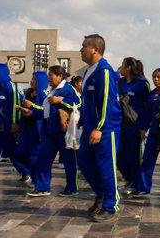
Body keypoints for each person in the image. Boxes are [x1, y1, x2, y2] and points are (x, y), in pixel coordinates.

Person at [77, 34, 122, 222]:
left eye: (84, 46)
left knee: (106, 168)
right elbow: (87, 101)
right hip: (88, 128)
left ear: (95, 49)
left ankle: (111, 204)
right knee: (84, 163)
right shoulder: (89, 70)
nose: (81, 49)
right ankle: (101, 194)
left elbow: (107, 103)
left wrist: (99, 128)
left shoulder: (104, 71)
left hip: (105, 129)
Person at [23, 65, 81, 197]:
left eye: (51, 75)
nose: (49, 78)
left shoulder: (67, 89)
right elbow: (46, 112)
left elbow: (78, 105)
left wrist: (61, 100)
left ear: (60, 76)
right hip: (50, 129)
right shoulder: (51, 91)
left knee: (69, 160)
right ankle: (42, 187)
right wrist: (32, 111)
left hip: (64, 130)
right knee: (43, 157)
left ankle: (72, 187)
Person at [117, 57, 150, 194]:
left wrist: (144, 126)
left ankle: (136, 183)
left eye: (123, 65)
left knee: (133, 155)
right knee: (119, 154)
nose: (121, 67)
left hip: (135, 124)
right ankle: (128, 178)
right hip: (120, 123)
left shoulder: (142, 84)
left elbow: (148, 106)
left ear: (129, 67)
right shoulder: (120, 82)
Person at [132, 68, 160, 197]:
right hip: (153, 131)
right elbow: (147, 112)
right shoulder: (152, 94)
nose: (156, 79)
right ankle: (144, 188)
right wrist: (143, 128)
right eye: (154, 77)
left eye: (159, 76)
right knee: (147, 159)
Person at [15, 72, 48, 184]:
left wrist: (32, 108)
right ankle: (26, 172)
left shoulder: (44, 94)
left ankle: (35, 179)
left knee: (34, 155)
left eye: (35, 79)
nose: (32, 81)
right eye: (32, 79)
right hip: (25, 127)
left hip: (36, 129)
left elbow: (45, 111)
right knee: (20, 153)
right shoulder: (28, 93)